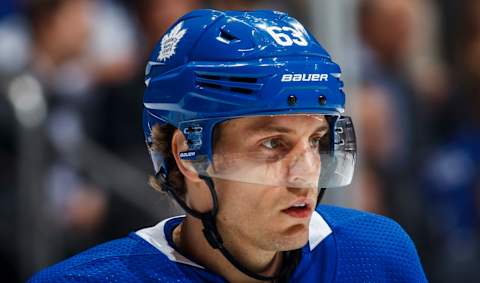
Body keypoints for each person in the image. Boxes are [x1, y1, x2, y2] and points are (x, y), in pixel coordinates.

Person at [29, 9, 427, 282]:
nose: (306, 173)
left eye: (316, 140)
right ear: (189, 153)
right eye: (273, 144)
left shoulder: (379, 255)